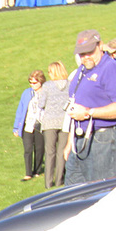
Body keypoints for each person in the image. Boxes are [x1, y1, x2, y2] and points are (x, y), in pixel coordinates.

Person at [64, 30, 116, 185]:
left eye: (90, 52)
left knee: (100, 194)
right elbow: (75, 106)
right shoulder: (82, 69)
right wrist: (69, 142)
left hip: (103, 140)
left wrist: (88, 113)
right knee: (70, 195)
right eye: (82, 53)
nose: (86, 57)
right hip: (79, 140)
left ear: (100, 46)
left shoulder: (112, 69)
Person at [32, 61, 70, 190]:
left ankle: (48, 183)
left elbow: (41, 104)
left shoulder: (47, 86)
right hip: (65, 122)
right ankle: (59, 180)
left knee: (50, 152)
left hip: (49, 122)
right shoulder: (70, 85)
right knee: (61, 152)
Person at [14, 71, 44, 182]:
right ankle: (28, 173)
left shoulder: (46, 92)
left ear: (41, 82)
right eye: (30, 83)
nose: (32, 85)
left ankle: (37, 170)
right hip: (28, 124)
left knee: (40, 149)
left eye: (35, 83)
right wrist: (16, 127)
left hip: (40, 125)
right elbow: (20, 110)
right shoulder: (27, 93)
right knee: (28, 149)